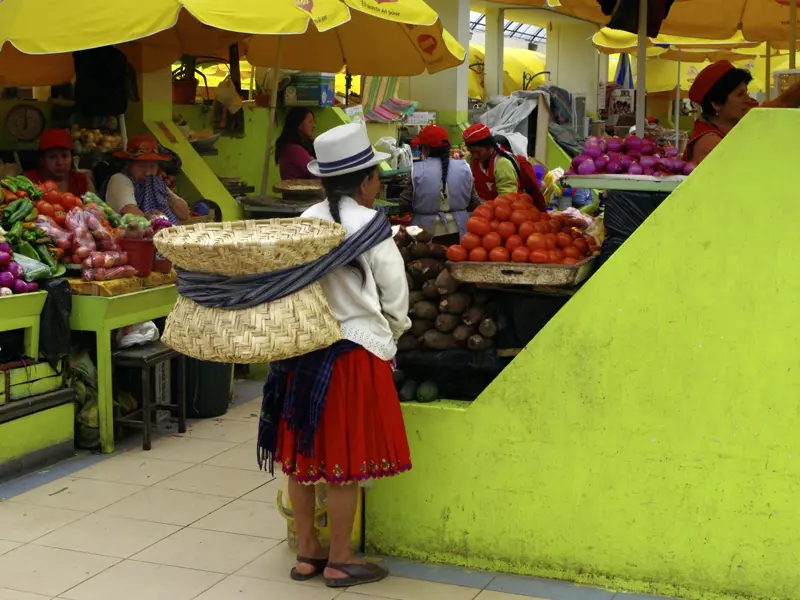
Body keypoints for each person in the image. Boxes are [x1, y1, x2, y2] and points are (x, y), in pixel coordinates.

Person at [259, 123, 412, 588]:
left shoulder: (304, 221)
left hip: (302, 354)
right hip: (352, 356)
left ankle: (308, 553)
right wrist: (395, 333)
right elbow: (395, 296)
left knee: (304, 462)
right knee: (344, 466)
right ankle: (342, 558)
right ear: (367, 181)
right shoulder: (372, 227)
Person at [685, 60, 800, 164]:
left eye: (747, 93)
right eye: (740, 94)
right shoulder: (709, 142)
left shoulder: (740, 120)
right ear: (716, 104)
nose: (748, 100)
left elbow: (782, 103)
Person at [399, 125, 479, 241]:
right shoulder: (464, 167)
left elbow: (404, 203)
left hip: (424, 233)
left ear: (426, 148)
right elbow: (475, 202)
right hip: (460, 231)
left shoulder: (416, 170)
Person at [105, 135, 190, 224]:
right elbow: (129, 212)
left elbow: (184, 215)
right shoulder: (119, 179)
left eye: (153, 166)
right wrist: (149, 217)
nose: (148, 172)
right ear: (129, 164)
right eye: (142, 167)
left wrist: (166, 193)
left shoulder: (155, 182)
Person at [24, 129, 94, 196]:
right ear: (42, 159)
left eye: (64, 156)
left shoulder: (82, 182)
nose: (60, 163)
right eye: (52, 157)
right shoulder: (28, 181)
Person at [463, 123, 521, 201]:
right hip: (483, 207)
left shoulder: (503, 164)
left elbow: (507, 200)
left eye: (478, 152)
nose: (475, 156)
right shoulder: (471, 158)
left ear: (489, 147)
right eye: (471, 152)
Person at [276, 107, 318, 180]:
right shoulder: (295, 150)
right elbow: (316, 174)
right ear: (298, 124)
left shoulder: (288, 147)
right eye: (310, 122)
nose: (314, 126)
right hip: (300, 191)